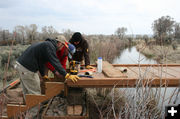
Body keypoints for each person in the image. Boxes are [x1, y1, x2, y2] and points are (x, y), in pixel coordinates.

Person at [15, 35, 79, 100]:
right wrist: (66, 75)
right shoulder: (49, 46)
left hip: (22, 65)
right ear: (59, 43)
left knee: (28, 92)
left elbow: (41, 62)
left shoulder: (47, 45)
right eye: (63, 46)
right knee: (35, 91)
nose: (62, 48)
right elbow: (54, 61)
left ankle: (28, 108)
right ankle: (35, 108)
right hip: (27, 68)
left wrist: (43, 74)